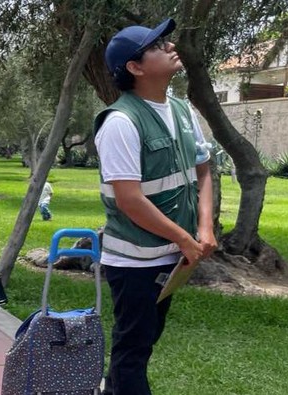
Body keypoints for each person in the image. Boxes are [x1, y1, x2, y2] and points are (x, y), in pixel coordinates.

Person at [93, 18, 217, 394]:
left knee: (142, 344)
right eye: (156, 45)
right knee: (132, 351)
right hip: (134, 262)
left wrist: (205, 227)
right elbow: (130, 201)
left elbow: (203, 171)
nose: (169, 46)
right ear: (134, 67)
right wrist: (184, 237)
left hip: (170, 256)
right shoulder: (120, 122)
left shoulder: (182, 110)